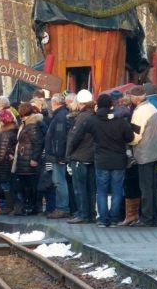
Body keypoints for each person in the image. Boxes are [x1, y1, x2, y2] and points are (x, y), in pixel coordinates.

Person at [73, 93, 134, 227]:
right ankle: (113, 219)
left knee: (101, 190)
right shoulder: (120, 121)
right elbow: (130, 138)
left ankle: (102, 219)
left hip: (101, 160)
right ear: (111, 105)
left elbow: (81, 133)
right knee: (117, 190)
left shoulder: (93, 121)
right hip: (118, 160)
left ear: (98, 105)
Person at [128, 85, 157, 227]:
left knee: (146, 187)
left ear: (135, 99)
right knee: (154, 185)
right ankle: (154, 215)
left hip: (145, 153)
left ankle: (147, 218)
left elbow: (136, 135)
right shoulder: (152, 108)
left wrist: (127, 142)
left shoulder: (140, 112)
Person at [65, 89, 96, 224]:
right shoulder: (94, 115)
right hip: (91, 156)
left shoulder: (82, 117)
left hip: (80, 157)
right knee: (90, 187)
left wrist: (68, 155)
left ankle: (83, 214)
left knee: (80, 188)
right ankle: (90, 214)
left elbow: (74, 138)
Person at [11, 102, 45, 215]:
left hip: (28, 160)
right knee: (27, 185)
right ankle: (30, 206)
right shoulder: (26, 124)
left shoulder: (30, 125)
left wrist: (34, 158)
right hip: (24, 159)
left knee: (30, 186)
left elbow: (38, 142)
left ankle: (33, 207)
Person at [44, 93, 71, 219]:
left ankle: (62, 208)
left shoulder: (60, 116)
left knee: (59, 181)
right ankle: (62, 207)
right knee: (59, 181)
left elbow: (60, 138)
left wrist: (60, 156)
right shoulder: (61, 114)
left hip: (58, 155)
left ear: (54, 103)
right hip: (57, 154)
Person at [0, 109, 18, 214]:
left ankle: (8, 207)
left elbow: (2, 151)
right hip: (9, 162)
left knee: (5, 186)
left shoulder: (4, 134)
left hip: (4, 164)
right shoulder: (14, 130)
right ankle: (10, 206)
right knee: (8, 185)